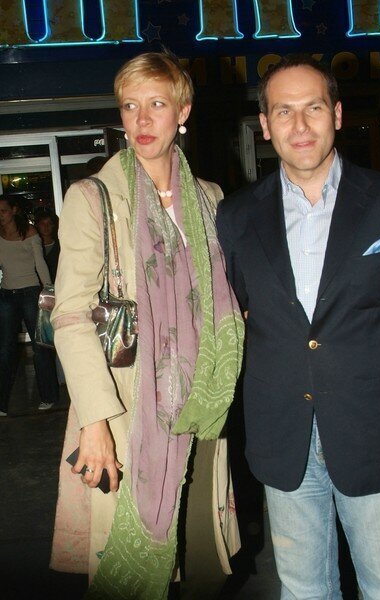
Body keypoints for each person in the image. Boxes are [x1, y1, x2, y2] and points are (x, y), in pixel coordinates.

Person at [216, 53, 380, 599]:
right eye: (284, 111)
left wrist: (365, 369)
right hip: (282, 436)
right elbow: (242, 314)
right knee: (303, 589)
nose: (300, 125)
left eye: (314, 108)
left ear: (337, 114)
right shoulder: (237, 216)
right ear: (265, 124)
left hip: (373, 429)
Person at [49, 51, 245, 599]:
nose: (141, 120)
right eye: (130, 106)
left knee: (199, 558)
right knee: (135, 563)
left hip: (202, 404)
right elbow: (70, 315)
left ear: (183, 112)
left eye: (157, 104)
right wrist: (95, 422)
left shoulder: (210, 199)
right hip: (128, 408)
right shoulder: (94, 198)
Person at [0, 196, 59, 415]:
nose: (0, 215)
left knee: (39, 346)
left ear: (14, 210)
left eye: (4, 211)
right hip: (6, 294)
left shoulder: (30, 232)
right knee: (5, 349)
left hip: (30, 293)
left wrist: (49, 290)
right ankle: (1, 403)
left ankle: (49, 396)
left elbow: (40, 263)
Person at [35, 209, 60, 282]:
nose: (46, 226)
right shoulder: (33, 246)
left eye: (49, 223)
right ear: (37, 225)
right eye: (42, 223)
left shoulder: (60, 246)